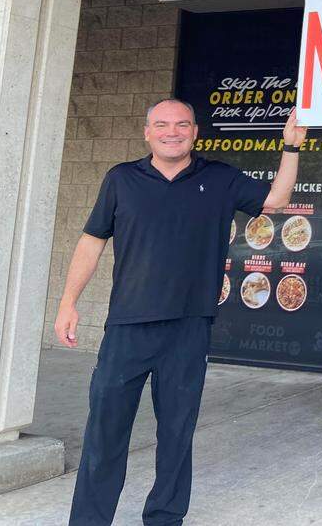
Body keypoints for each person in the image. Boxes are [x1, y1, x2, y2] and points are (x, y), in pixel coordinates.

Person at [56, 98, 307, 526]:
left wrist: (291, 147)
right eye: (162, 124)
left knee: (176, 433)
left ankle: (165, 517)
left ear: (195, 132)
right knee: (105, 432)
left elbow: (276, 200)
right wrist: (68, 302)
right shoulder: (121, 180)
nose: (171, 131)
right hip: (127, 327)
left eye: (181, 124)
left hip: (189, 327)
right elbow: (91, 241)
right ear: (147, 131)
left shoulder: (220, 178)